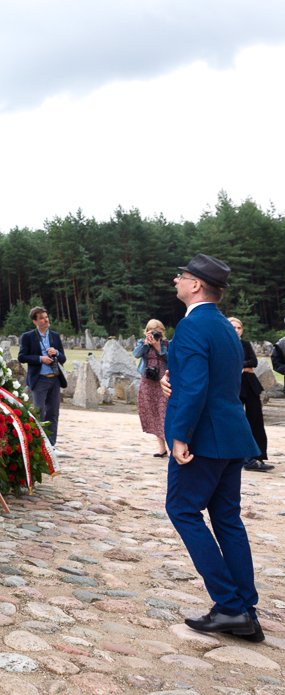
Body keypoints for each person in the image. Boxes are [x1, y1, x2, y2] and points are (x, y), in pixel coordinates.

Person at [164, 254, 263, 641]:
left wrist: (179, 435)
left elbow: (195, 388)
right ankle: (246, 608)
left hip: (203, 438)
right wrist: (174, 380)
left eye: (182, 276)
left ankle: (229, 606)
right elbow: (213, 380)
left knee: (183, 509)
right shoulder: (225, 327)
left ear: (196, 286)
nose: (177, 280)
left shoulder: (191, 327)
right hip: (232, 434)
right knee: (227, 519)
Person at [228, 317, 272, 473]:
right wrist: (242, 367)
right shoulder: (223, 344)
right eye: (233, 327)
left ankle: (257, 457)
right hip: (234, 386)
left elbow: (253, 362)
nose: (236, 330)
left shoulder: (245, 344)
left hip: (250, 385)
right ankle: (240, 457)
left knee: (255, 420)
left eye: (239, 327)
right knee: (237, 422)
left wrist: (240, 366)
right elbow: (227, 364)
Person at [18, 307, 67, 446]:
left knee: (53, 413)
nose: (46, 320)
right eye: (42, 318)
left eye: (46, 317)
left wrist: (56, 352)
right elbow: (21, 357)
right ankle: (38, 444)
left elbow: (63, 358)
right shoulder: (27, 336)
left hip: (55, 379)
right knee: (39, 412)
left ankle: (51, 445)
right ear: (35, 321)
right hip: (39, 379)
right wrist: (41, 359)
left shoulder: (55, 336)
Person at [133, 319, 169, 456]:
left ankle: (171, 447)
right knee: (153, 414)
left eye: (158, 333)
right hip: (148, 382)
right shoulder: (142, 343)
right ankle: (162, 448)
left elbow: (172, 359)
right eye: (153, 333)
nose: (155, 336)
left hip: (164, 382)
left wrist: (159, 347)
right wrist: (145, 344)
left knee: (164, 414)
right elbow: (136, 355)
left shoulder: (166, 344)